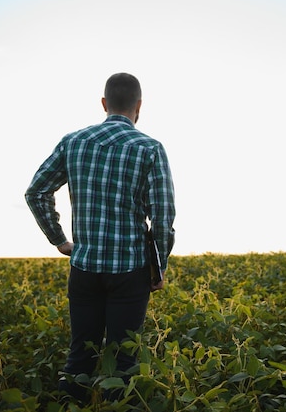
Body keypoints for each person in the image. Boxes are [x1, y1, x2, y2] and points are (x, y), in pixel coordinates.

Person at [25, 72, 176, 403]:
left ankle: (68, 405)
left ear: (104, 103)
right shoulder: (149, 148)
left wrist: (59, 239)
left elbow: (36, 192)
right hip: (130, 272)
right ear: (139, 106)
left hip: (84, 268)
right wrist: (159, 267)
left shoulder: (73, 142)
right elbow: (163, 218)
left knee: (80, 356)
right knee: (124, 361)